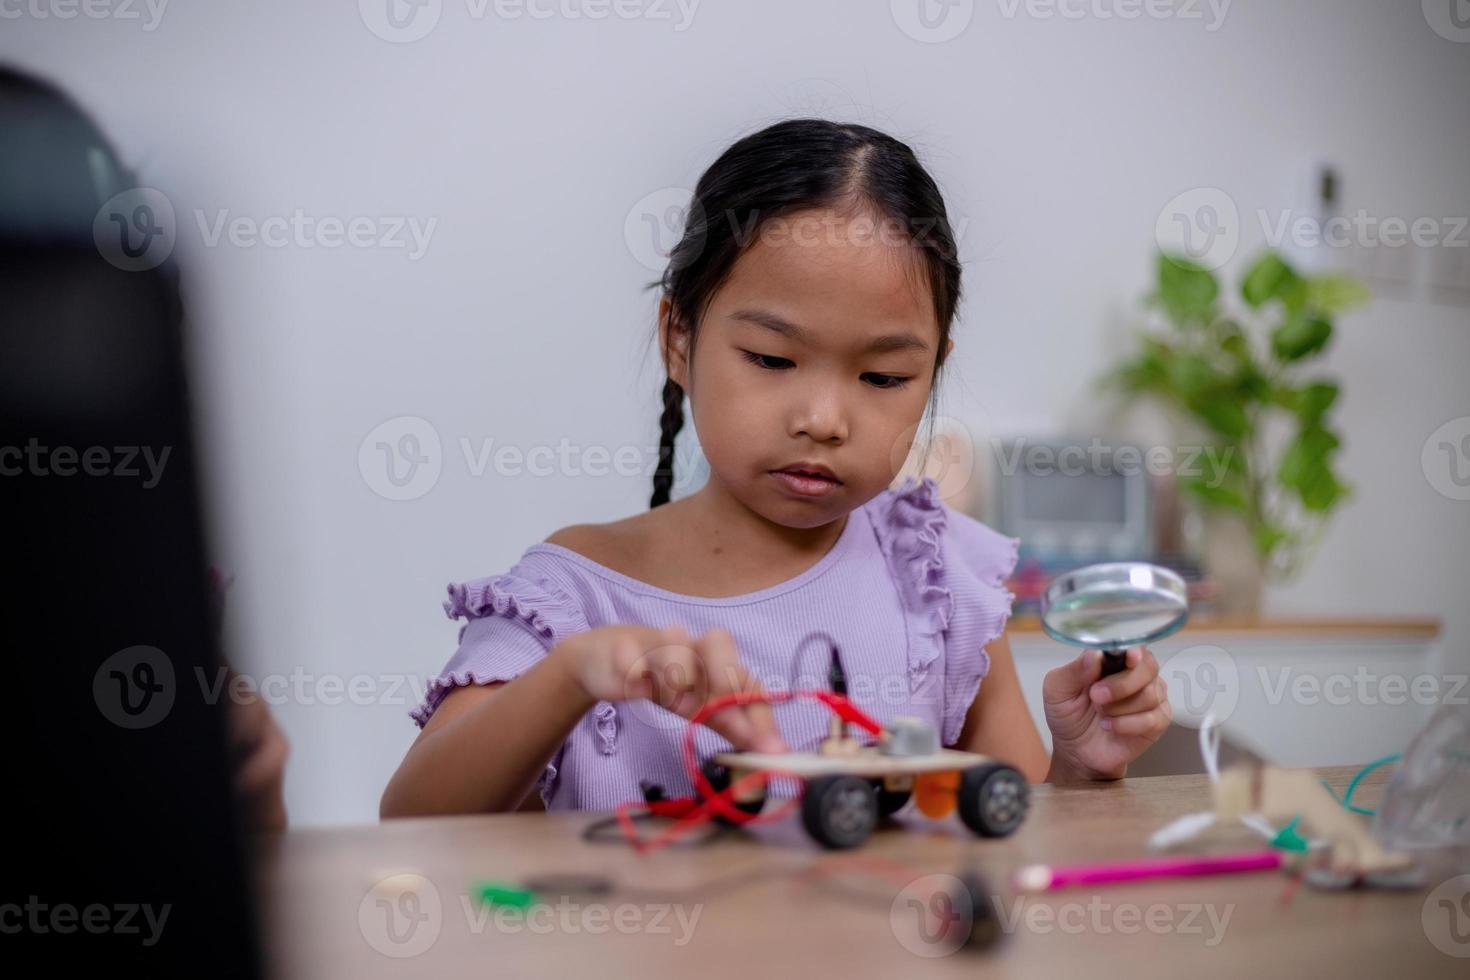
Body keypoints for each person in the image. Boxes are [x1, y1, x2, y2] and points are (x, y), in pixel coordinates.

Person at [380, 119, 1171, 818]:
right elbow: (415, 823)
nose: (824, 420)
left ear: (934, 371)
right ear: (679, 340)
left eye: (884, 378)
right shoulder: (573, 598)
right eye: (771, 358)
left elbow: (1016, 841)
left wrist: (1078, 767)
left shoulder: (931, 572)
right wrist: (568, 678)